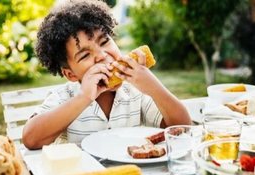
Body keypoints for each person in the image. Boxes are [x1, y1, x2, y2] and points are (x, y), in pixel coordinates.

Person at [22, 0, 191, 150]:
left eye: (104, 42)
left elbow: (182, 127)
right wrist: (83, 97)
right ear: (71, 74)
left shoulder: (135, 92)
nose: (102, 55)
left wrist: (154, 88)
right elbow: (31, 139)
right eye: (85, 55)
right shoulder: (65, 98)